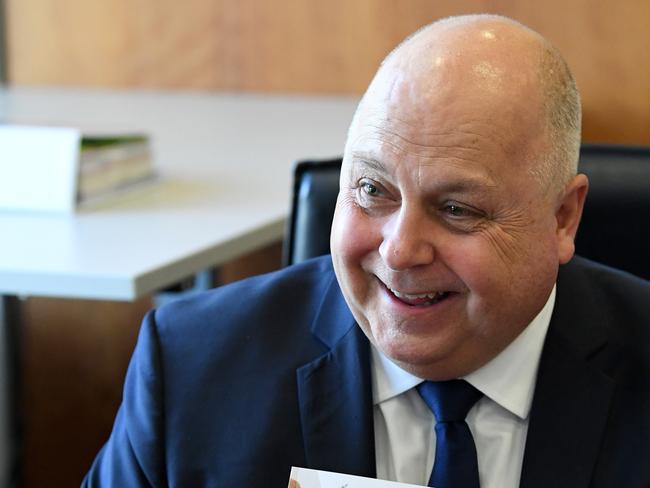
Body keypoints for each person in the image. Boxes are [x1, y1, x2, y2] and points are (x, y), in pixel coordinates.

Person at [83, 14, 650, 487]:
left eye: (457, 209)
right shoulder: (191, 370)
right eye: (373, 191)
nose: (400, 250)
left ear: (562, 218)